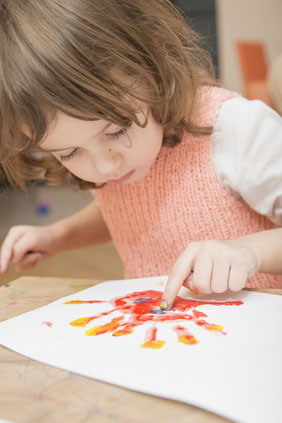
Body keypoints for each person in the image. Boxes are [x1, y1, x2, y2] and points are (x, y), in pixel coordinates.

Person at [0, 0, 282, 311]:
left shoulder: (238, 128)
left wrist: (249, 252)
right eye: (69, 153)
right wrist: (57, 236)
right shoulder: (115, 163)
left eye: (116, 131)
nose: (104, 165)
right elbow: (128, 214)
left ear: (153, 66)